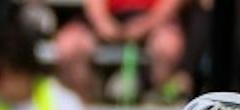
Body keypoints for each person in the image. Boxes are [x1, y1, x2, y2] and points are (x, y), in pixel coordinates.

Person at [54, 0, 187, 104]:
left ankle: (159, 107)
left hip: (157, 21)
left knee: (168, 46)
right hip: (104, 19)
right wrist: (102, 22)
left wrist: (147, 25)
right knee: (70, 45)